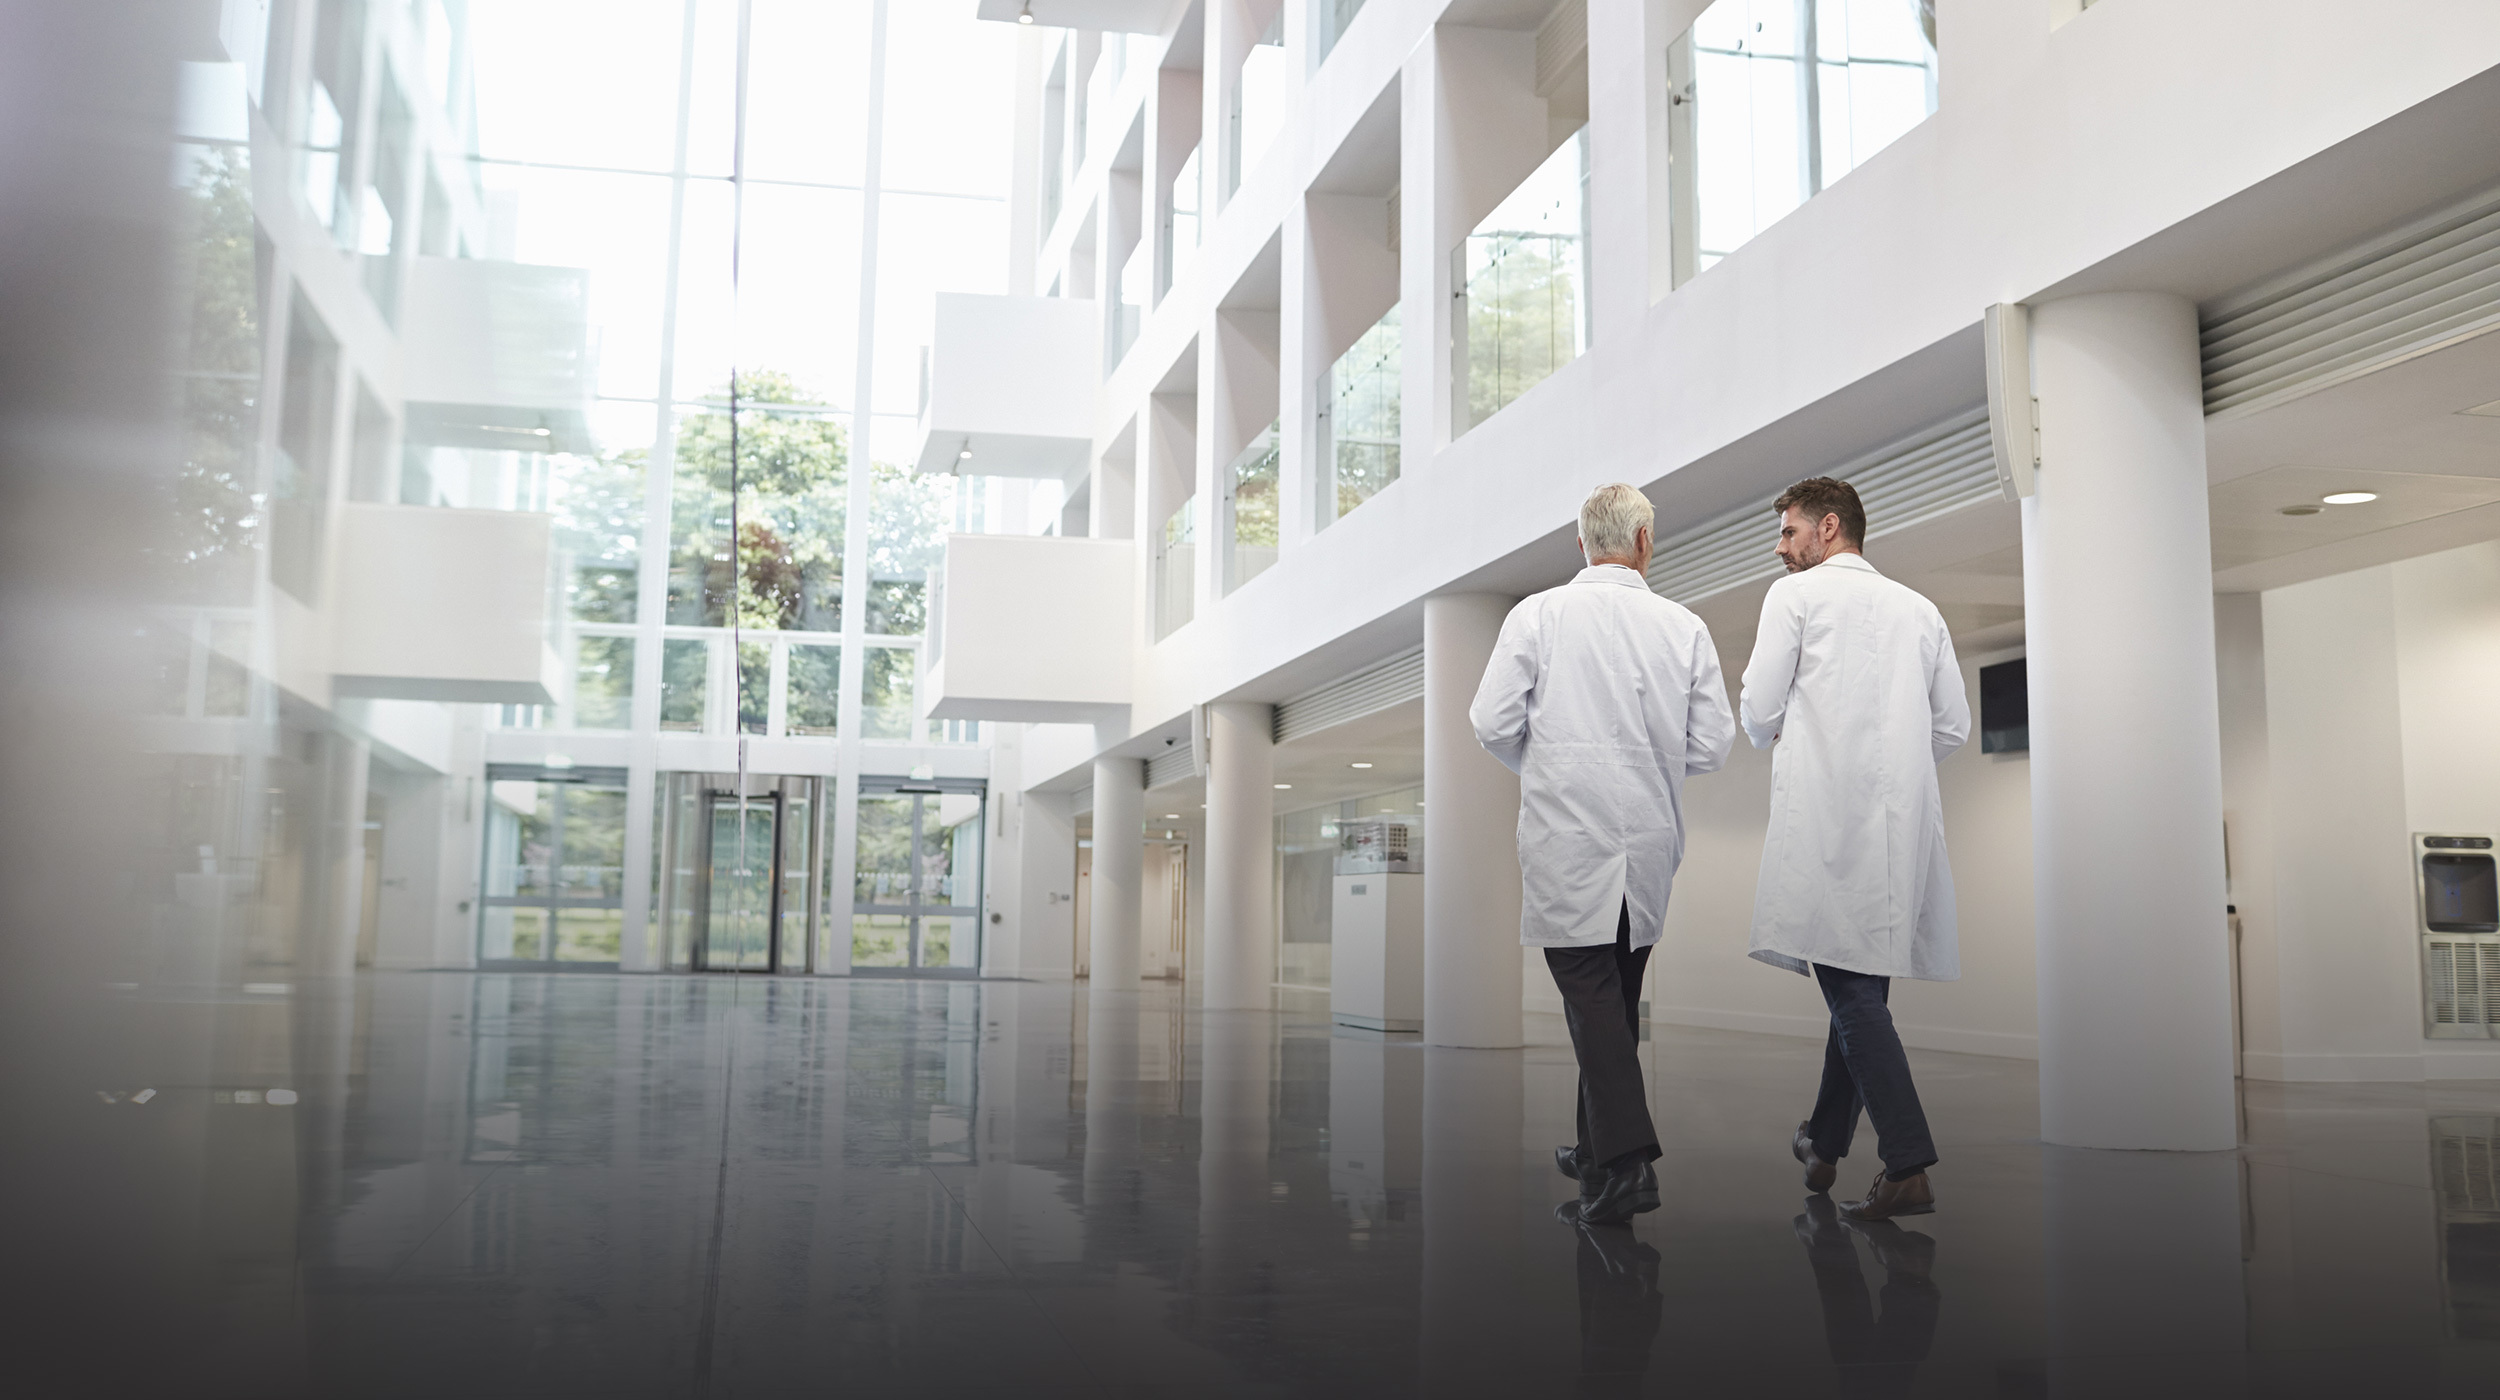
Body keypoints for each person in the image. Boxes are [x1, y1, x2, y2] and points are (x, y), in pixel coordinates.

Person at [1471, 483, 1736, 1226]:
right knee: (1613, 1002)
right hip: (1647, 843)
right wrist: (1645, 764)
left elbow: (1491, 722)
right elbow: (1712, 743)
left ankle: (1627, 1164)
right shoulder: (1683, 625)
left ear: (1580, 542)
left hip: (1568, 839)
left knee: (1593, 1003)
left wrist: (1551, 764)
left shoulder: (1539, 615)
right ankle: (1595, 1151)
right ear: (1646, 542)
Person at [1740, 476, 1969, 1222]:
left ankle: (1907, 1163)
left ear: (1829, 527)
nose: (1780, 549)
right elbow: (1952, 728)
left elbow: (1757, 710)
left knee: (1849, 992)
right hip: (1898, 828)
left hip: (1826, 818)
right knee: (1860, 989)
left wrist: (1786, 730)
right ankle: (1824, 1140)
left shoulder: (1796, 600)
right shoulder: (1920, 608)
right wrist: (1893, 766)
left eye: (1788, 533)